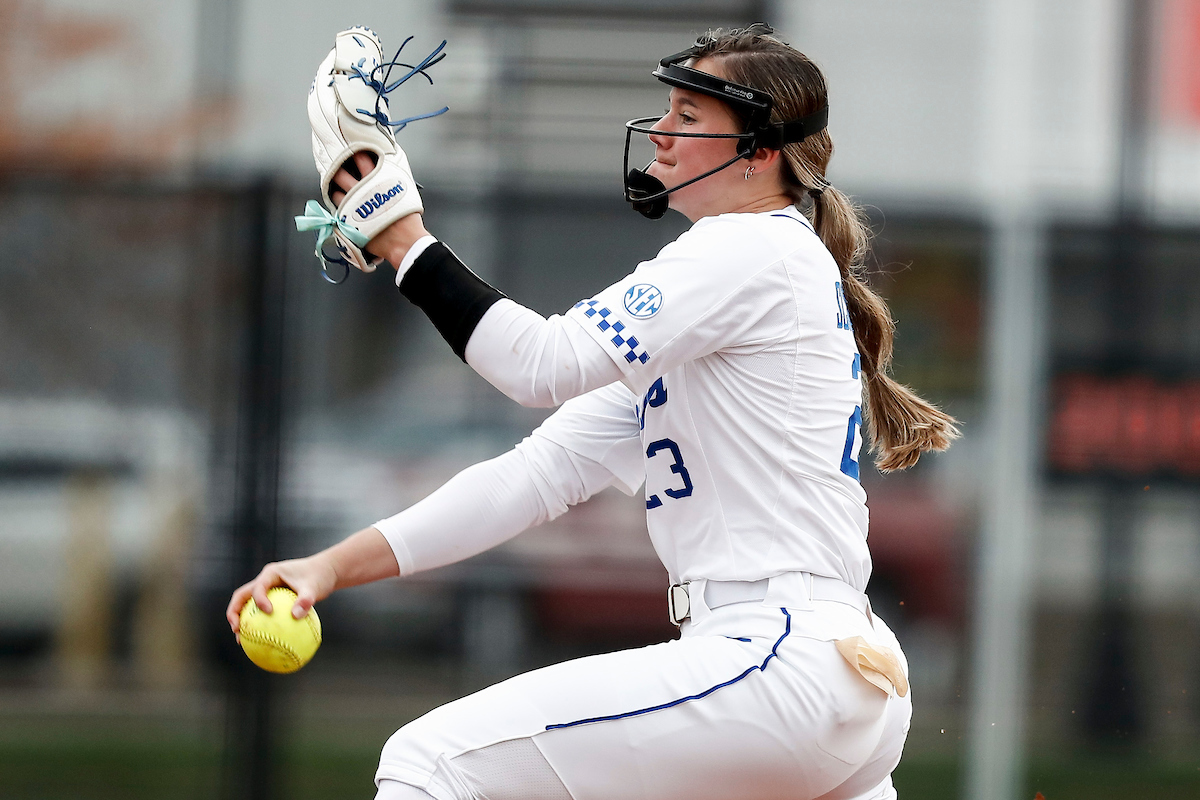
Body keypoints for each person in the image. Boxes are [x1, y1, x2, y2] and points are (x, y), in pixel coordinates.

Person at [227, 23, 959, 800]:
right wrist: (330, 567)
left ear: (762, 151)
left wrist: (406, 239)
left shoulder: (751, 248)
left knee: (430, 761)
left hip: (775, 657)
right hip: (833, 675)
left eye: (690, 114)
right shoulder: (740, 289)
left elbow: (540, 363)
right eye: (669, 108)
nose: (665, 132)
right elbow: (530, 480)